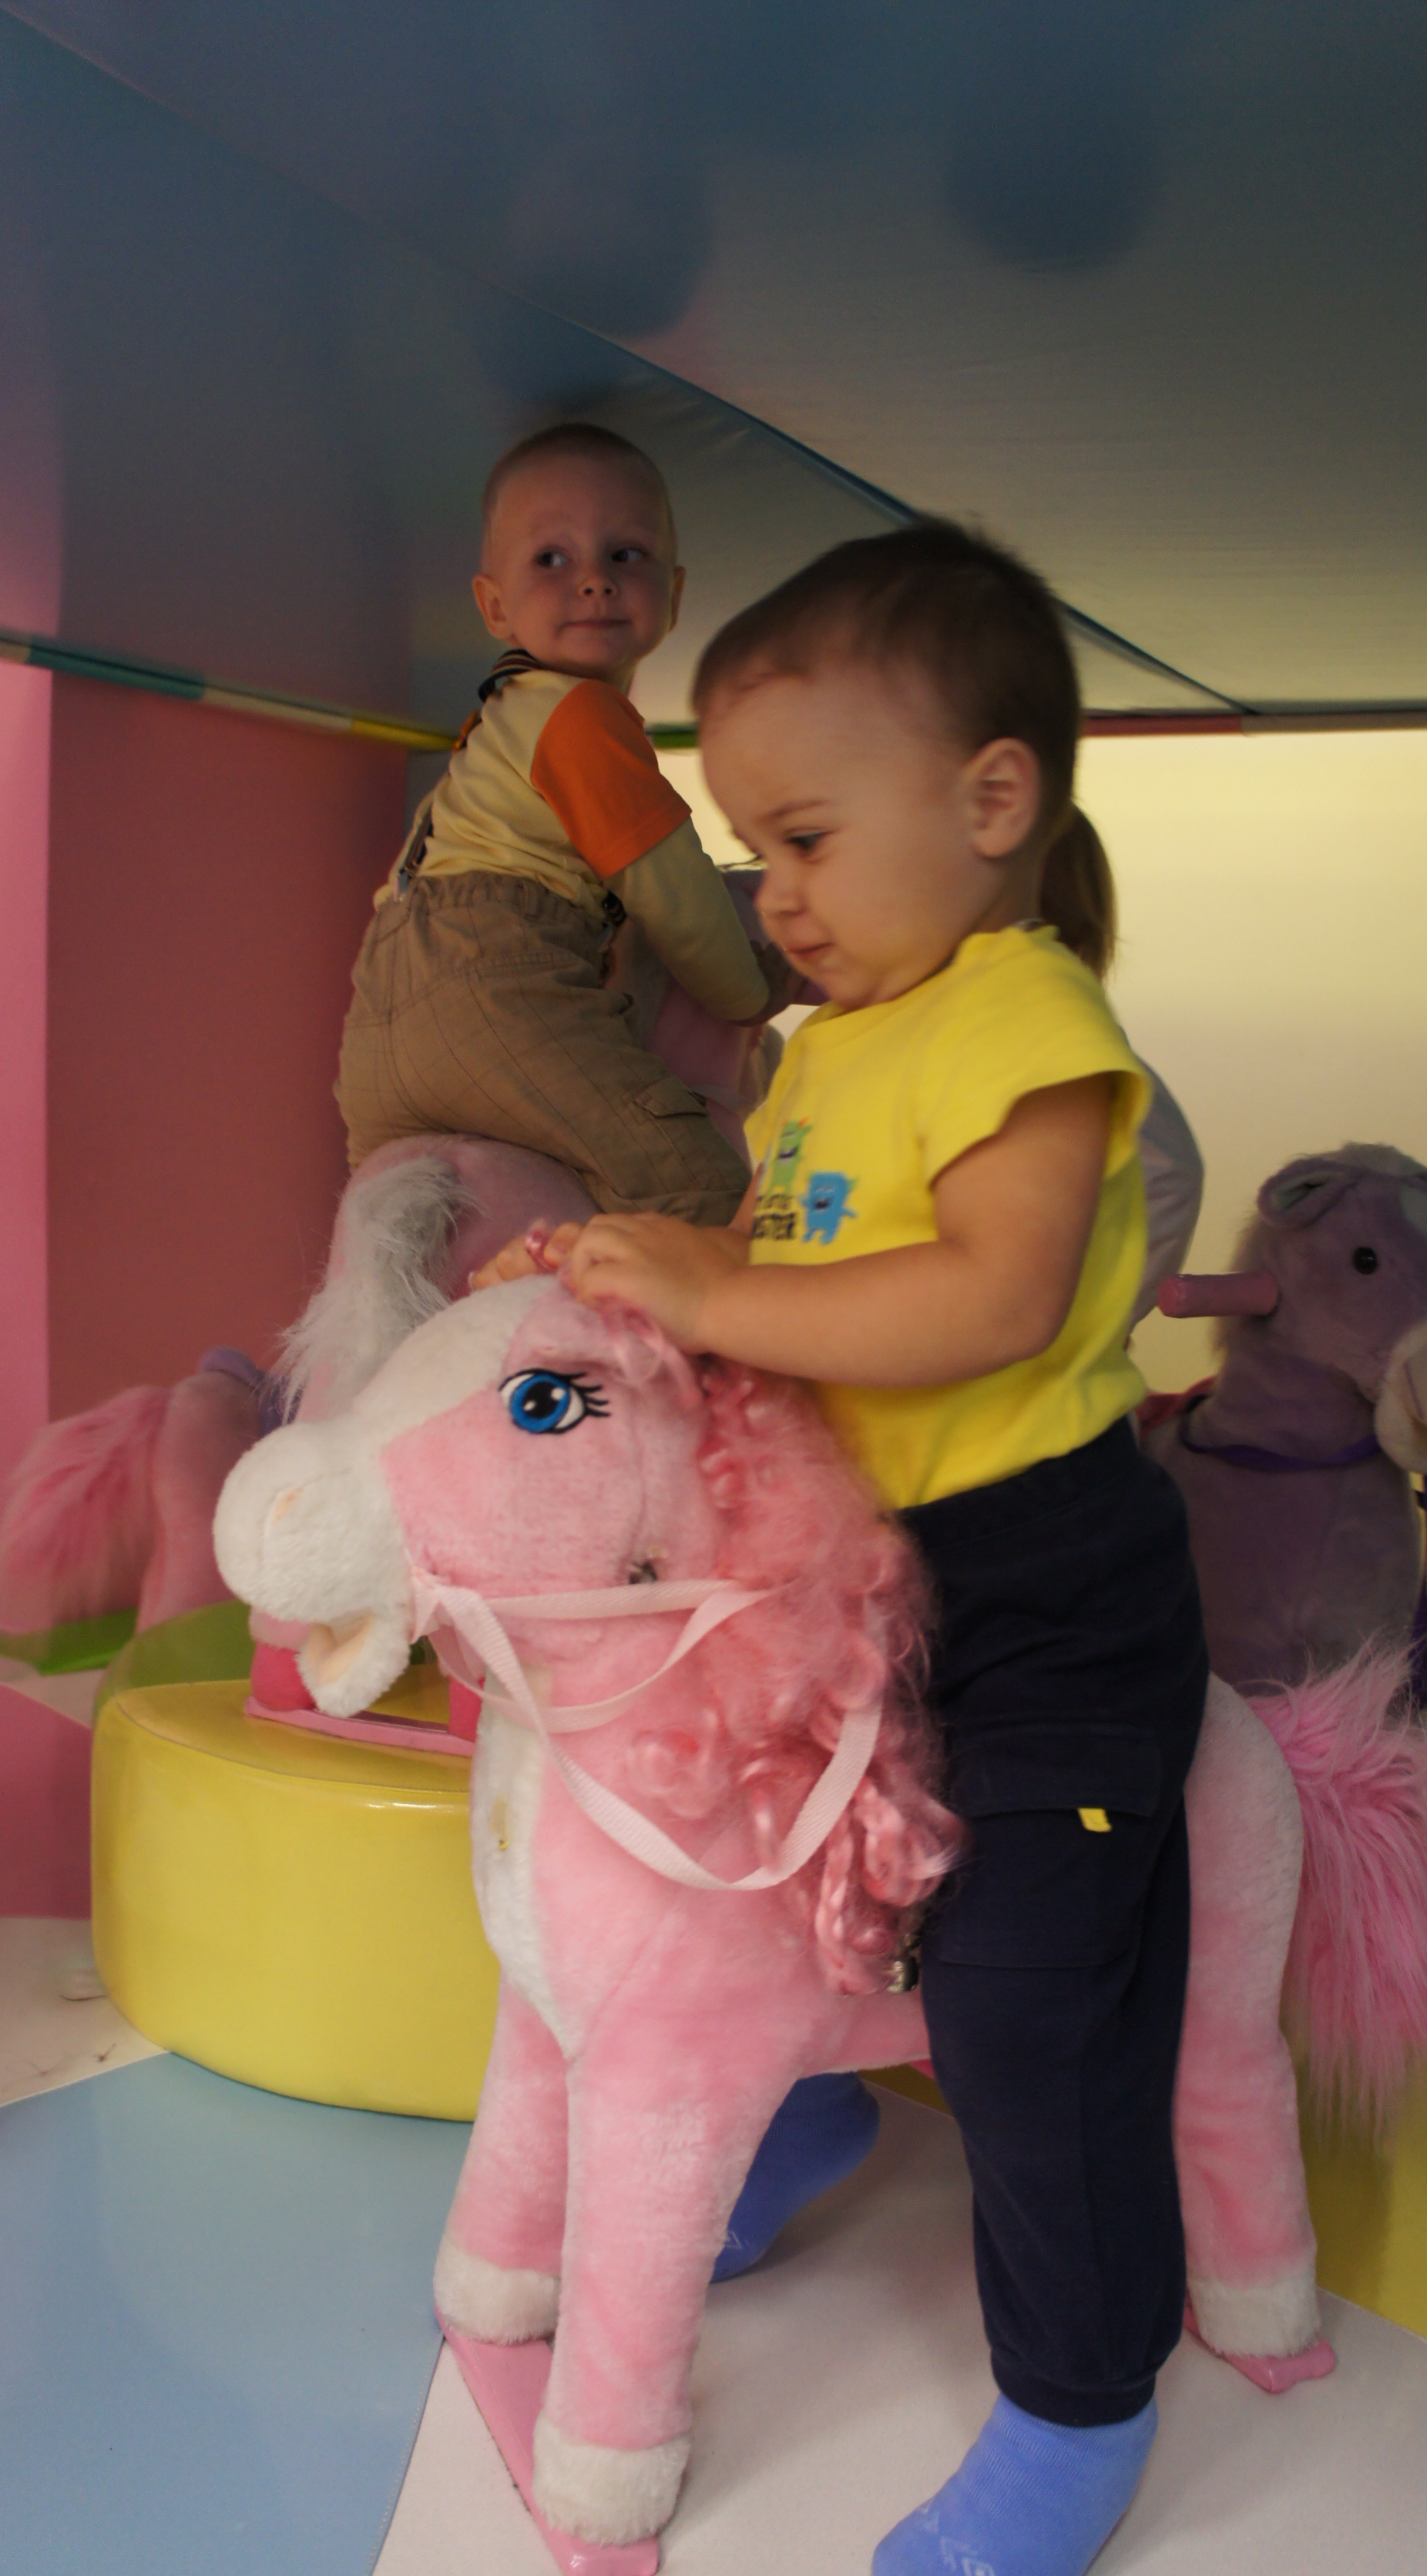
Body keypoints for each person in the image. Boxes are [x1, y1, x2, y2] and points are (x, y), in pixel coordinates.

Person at [503, 522, 1210, 2576]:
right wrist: (645, 1272)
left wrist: (722, 1292)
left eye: (802, 840)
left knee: (1025, 2007)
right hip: (863, 1586)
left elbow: (988, 1296)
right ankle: (805, 2104)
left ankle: (1078, 2404)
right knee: (772, 1889)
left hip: (1046, 1596)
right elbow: (797, 1273)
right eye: (752, 851)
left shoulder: (1024, 1014)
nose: (771, 896)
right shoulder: (824, 1053)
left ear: (991, 800)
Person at [335, 421, 787, 1219]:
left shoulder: (496, 722)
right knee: (695, 1183)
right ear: (493, 605)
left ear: (675, 593)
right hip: (493, 995)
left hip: (375, 1030)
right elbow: (674, 891)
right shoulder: (583, 717)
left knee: (415, 1236)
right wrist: (751, 988)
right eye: (552, 559)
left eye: (626, 555)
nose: (595, 582)